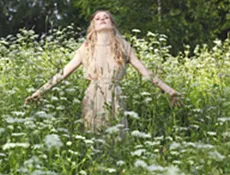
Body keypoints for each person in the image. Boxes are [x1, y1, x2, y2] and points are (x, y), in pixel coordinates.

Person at [25, 10, 181, 134]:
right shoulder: (86, 48)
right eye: (98, 18)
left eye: (106, 17)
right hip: (93, 96)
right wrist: (39, 92)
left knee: (116, 138)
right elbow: (63, 73)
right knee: (94, 136)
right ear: (93, 26)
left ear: (112, 24)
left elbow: (145, 72)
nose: (102, 19)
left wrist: (169, 90)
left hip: (115, 96)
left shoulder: (123, 46)